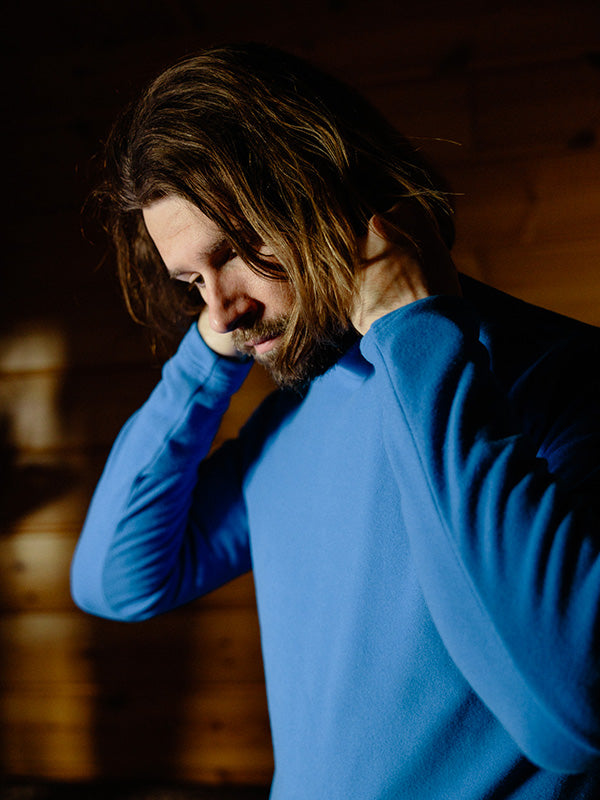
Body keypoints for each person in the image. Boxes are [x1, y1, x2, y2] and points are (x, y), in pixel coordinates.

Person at [71, 43, 600, 798]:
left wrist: (418, 337)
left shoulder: (566, 377)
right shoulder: (298, 410)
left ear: (321, 192)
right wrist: (203, 362)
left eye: (235, 253)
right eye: (192, 282)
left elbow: (571, 714)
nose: (221, 311)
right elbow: (115, 583)